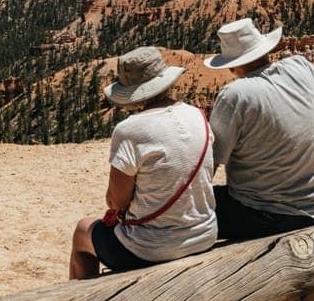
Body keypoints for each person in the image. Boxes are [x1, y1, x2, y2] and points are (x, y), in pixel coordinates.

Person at [69, 47, 217, 278]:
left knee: (82, 231)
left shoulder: (129, 129)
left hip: (151, 248)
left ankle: (88, 292)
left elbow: (117, 201)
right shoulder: (198, 115)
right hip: (204, 234)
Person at [204, 18, 314, 240]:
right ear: (265, 49)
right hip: (312, 208)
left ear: (231, 66)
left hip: (262, 214)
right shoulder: (300, 66)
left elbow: (211, 163)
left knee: (178, 219)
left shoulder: (235, 94)